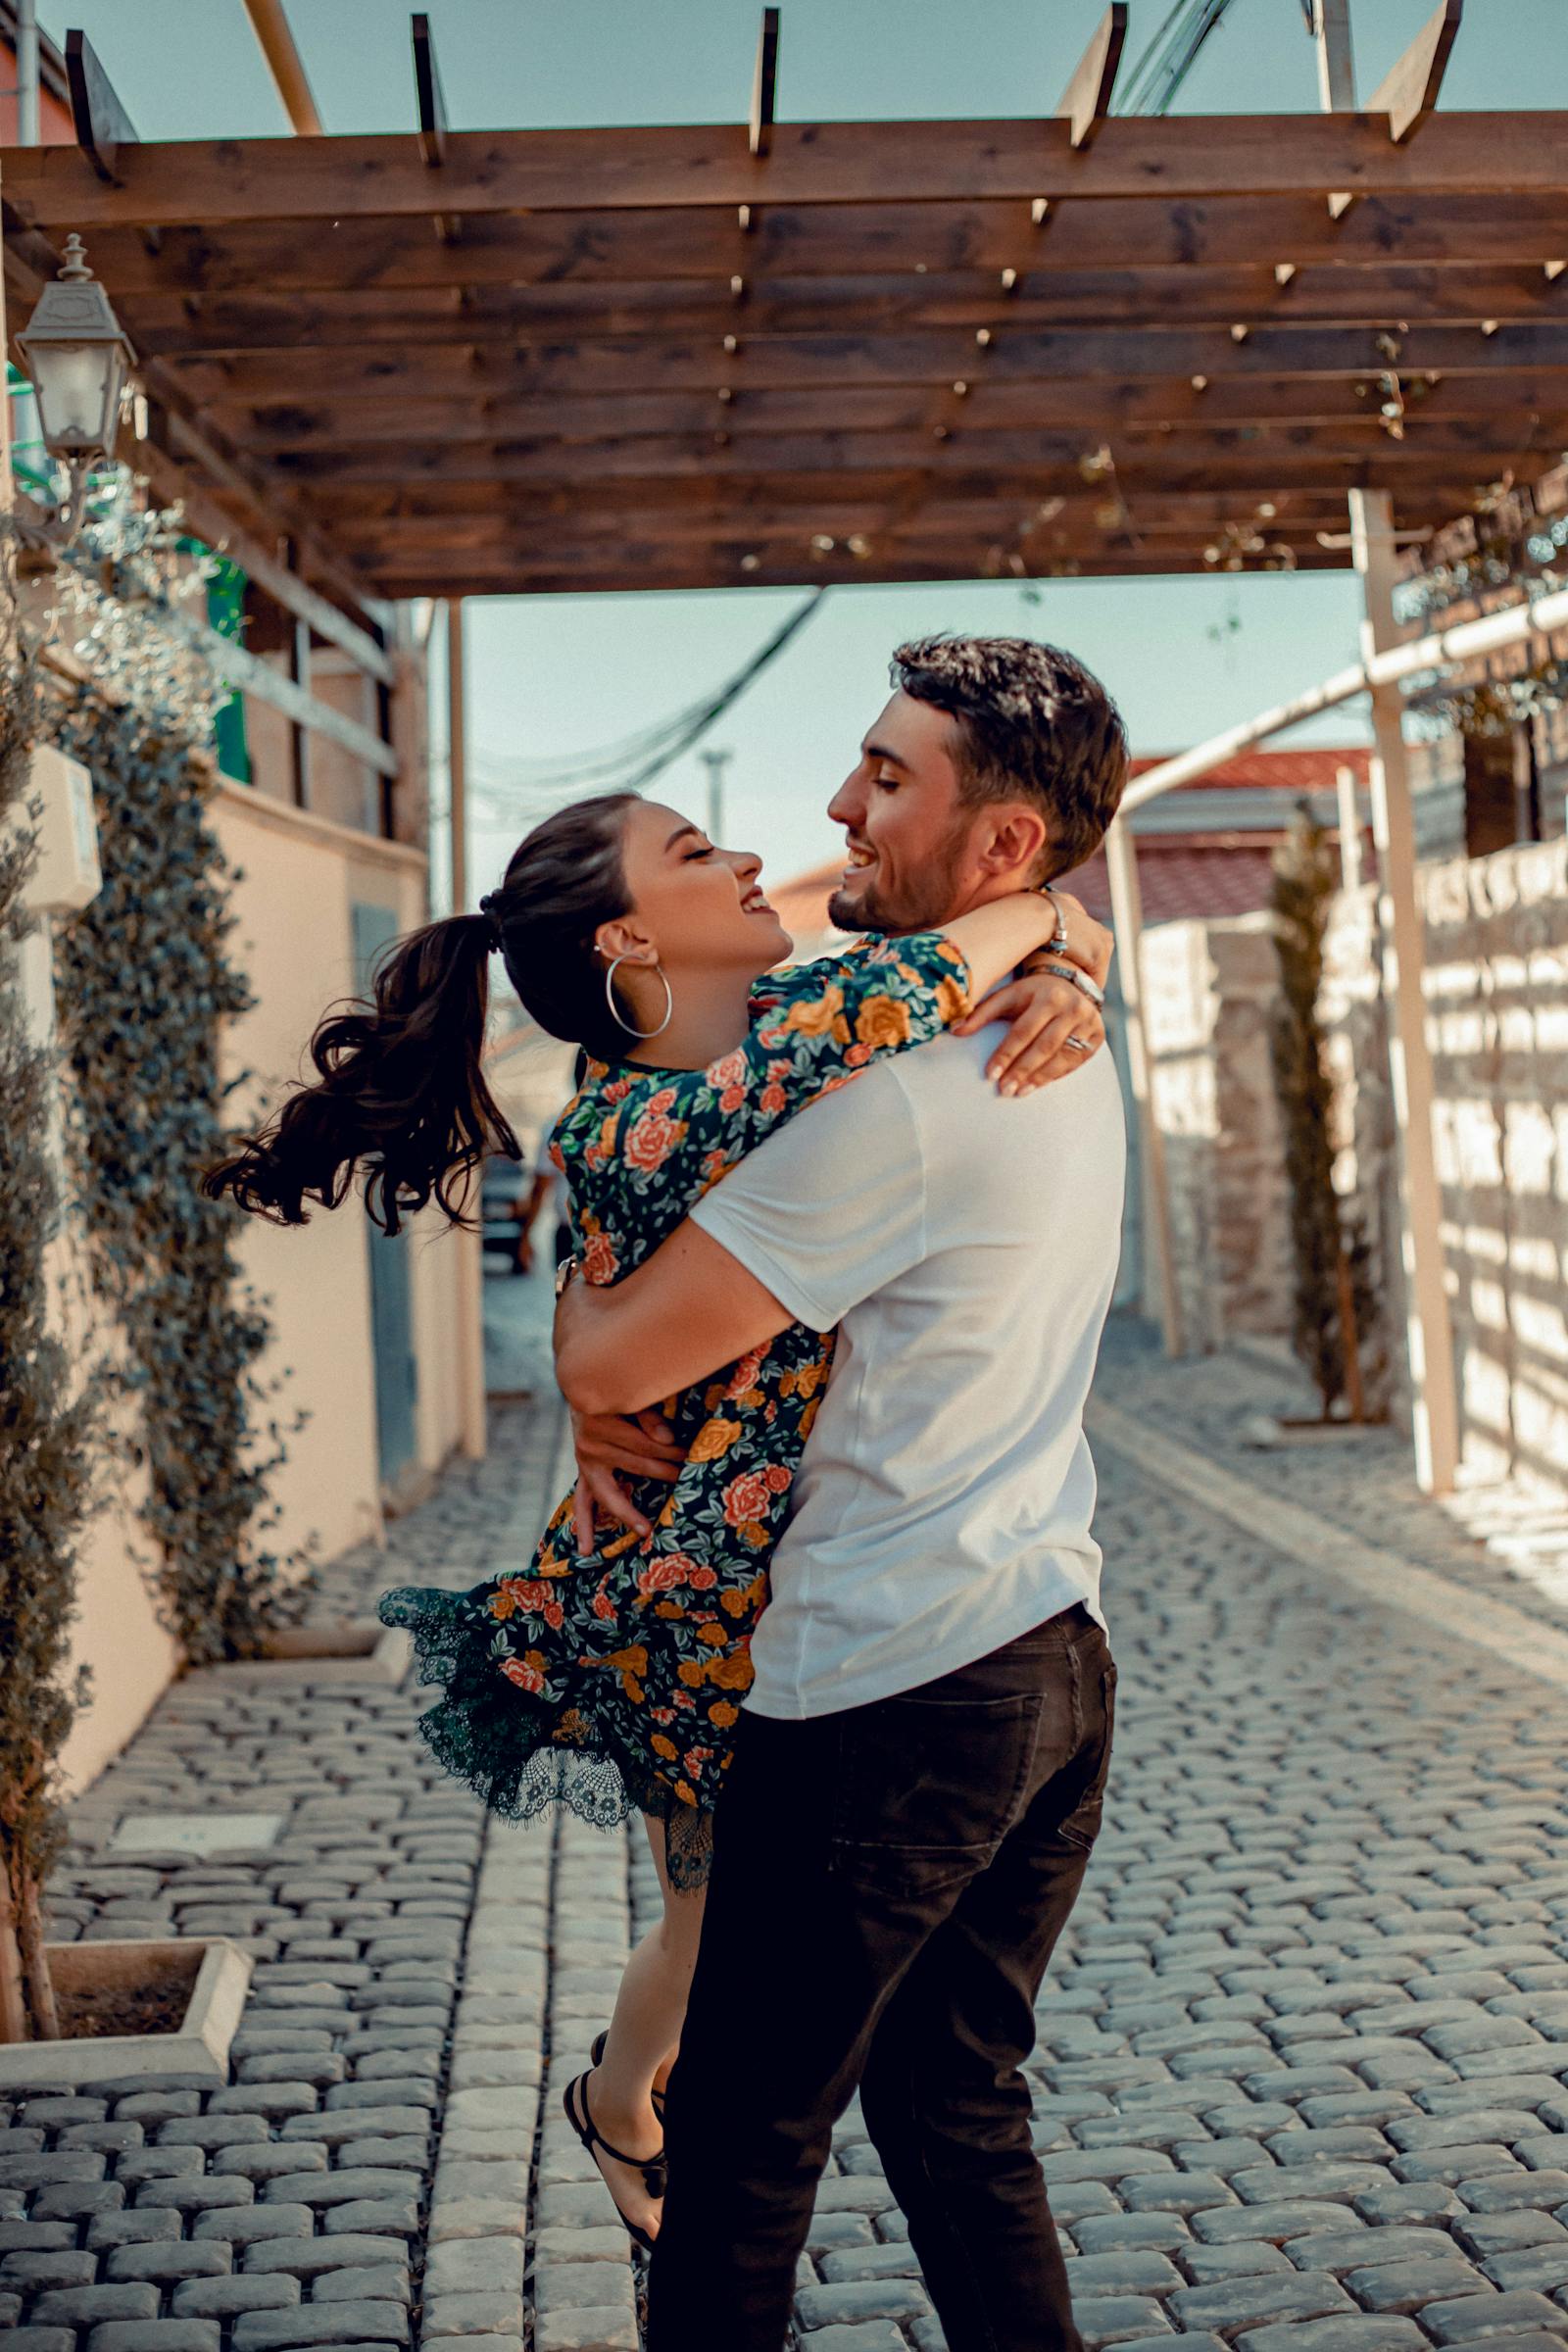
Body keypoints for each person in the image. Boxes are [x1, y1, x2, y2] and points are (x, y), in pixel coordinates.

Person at [198, 697, 1112, 2256]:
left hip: (744, 1569)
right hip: (690, 1593)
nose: (755, 850)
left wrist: (1067, 966)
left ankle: (633, 2109)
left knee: (719, 1927)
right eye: (699, 852)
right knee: (711, 1929)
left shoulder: (755, 1043)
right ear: (630, 945)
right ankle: (627, 2110)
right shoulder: (663, 1112)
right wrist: (1045, 914)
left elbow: (899, 973)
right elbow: (909, 980)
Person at [552, 634, 1128, 2352]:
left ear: (1003, 840)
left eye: (887, 778)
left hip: (891, 1683)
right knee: (955, 2119)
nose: (834, 807)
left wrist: (588, 1341)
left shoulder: (901, 1105)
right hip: (1050, 1656)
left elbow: (610, 1366)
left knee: (735, 2146)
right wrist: (1055, 938)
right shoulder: (1055, 1049)